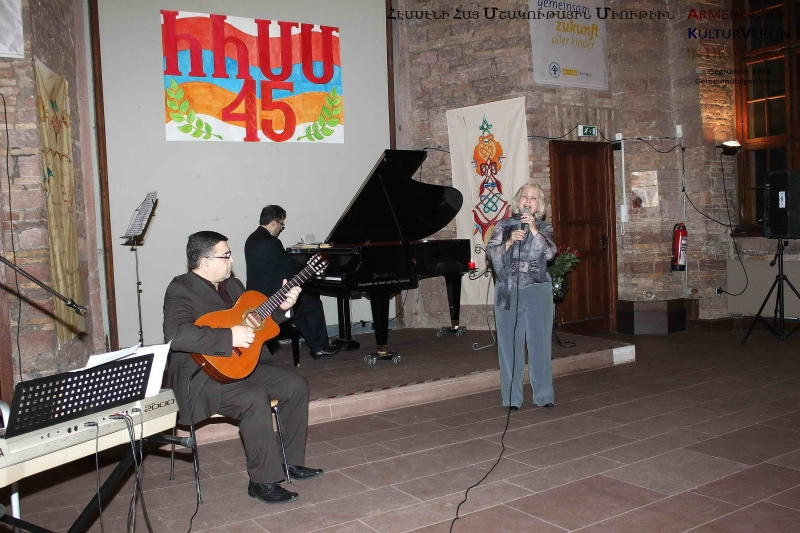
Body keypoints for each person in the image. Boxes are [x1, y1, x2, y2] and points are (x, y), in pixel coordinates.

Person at [164, 231, 322, 505]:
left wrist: (283, 308)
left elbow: (258, 321)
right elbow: (176, 335)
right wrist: (229, 337)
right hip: (203, 375)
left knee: (295, 385)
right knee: (253, 398)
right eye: (226, 256)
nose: (232, 260)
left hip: (242, 364)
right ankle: (262, 481)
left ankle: (290, 462)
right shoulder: (181, 289)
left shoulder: (234, 285)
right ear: (205, 262)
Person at [486, 184, 557, 410]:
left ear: (539, 205)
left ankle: (543, 396)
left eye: (534, 197)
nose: (528, 200)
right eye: (525, 196)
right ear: (518, 202)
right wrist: (508, 242)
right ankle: (511, 398)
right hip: (508, 288)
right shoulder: (504, 225)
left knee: (540, 343)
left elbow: (550, 254)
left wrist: (533, 229)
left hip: (537, 289)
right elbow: (491, 255)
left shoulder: (544, 228)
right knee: (509, 345)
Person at [245, 205, 342, 359]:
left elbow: (272, 268)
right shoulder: (271, 241)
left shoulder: (252, 239)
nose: (281, 228)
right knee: (313, 304)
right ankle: (320, 347)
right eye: (281, 224)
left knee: (300, 305)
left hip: (256, 294)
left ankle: (315, 344)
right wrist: (309, 269)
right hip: (270, 296)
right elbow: (289, 265)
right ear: (274, 223)